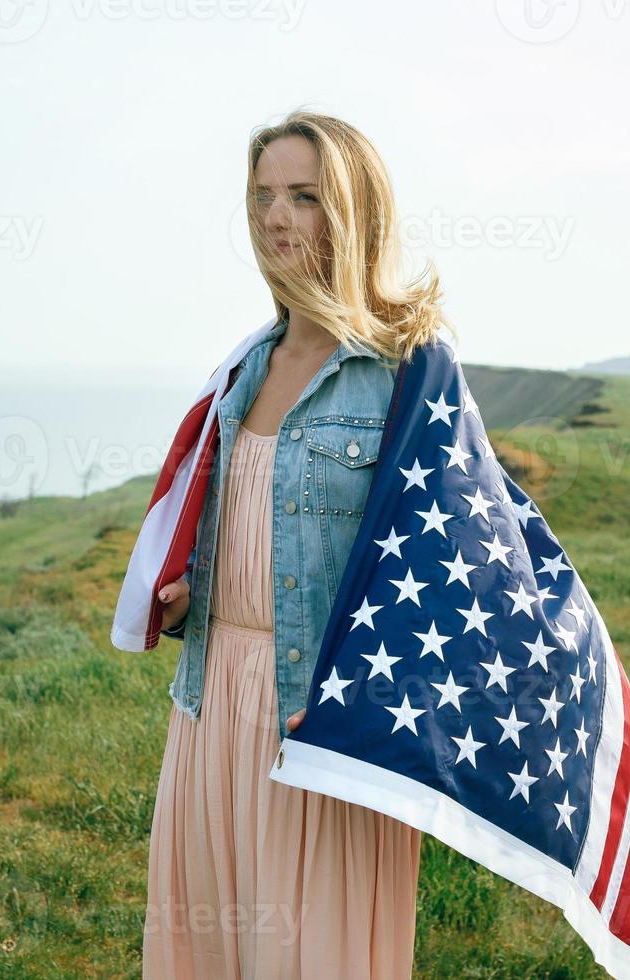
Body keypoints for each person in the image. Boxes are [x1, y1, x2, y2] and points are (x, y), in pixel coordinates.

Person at [140, 108, 457, 979]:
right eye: (264, 196)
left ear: (353, 212)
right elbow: (256, 521)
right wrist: (195, 587)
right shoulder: (246, 367)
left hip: (319, 723)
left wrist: (355, 704)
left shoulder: (404, 370)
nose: (277, 217)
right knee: (211, 948)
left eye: (306, 197)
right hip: (211, 708)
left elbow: (438, 570)